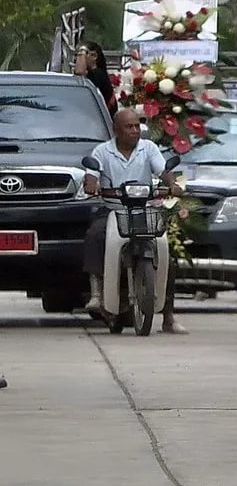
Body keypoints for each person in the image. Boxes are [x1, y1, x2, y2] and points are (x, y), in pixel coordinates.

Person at [82, 109, 187, 334]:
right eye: (129, 127)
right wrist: (92, 183)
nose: (134, 130)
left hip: (144, 210)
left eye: (137, 126)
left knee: (166, 254)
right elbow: (92, 175)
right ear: (116, 130)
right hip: (113, 210)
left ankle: (168, 316)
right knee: (95, 235)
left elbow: (163, 171)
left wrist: (172, 184)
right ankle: (97, 293)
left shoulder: (148, 148)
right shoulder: (102, 151)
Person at [74, 41, 118, 117]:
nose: (78, 59)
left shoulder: (98, 74)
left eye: (82, 54)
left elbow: (79, 71)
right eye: (77, 55)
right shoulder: (96, 73)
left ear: (94, 56)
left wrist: (83, 50)